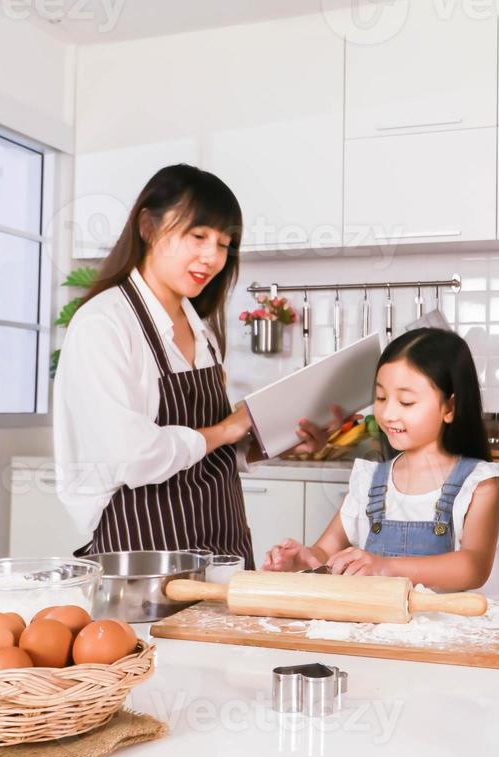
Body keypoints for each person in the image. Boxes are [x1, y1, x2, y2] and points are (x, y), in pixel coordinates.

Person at [54, 164, 335, 567]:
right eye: (198, 236)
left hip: (223, 544)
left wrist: (280, 443)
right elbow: (131, 456)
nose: (213, 257)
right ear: (148, 228)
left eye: (224, 243)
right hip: (145, 553)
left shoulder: (200, 330)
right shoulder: (105, 324)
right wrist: (227, 428)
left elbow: (213, 450)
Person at [263, 328, 499, 594]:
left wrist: (387, 567)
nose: (388, 413)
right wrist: (304, 560)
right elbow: (326, 551)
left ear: (450, 408)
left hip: (448, 629)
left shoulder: (479, 483)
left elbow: (472, 567)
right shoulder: (369, 480)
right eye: (382, 397)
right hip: (376, 629)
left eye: (406, 402)